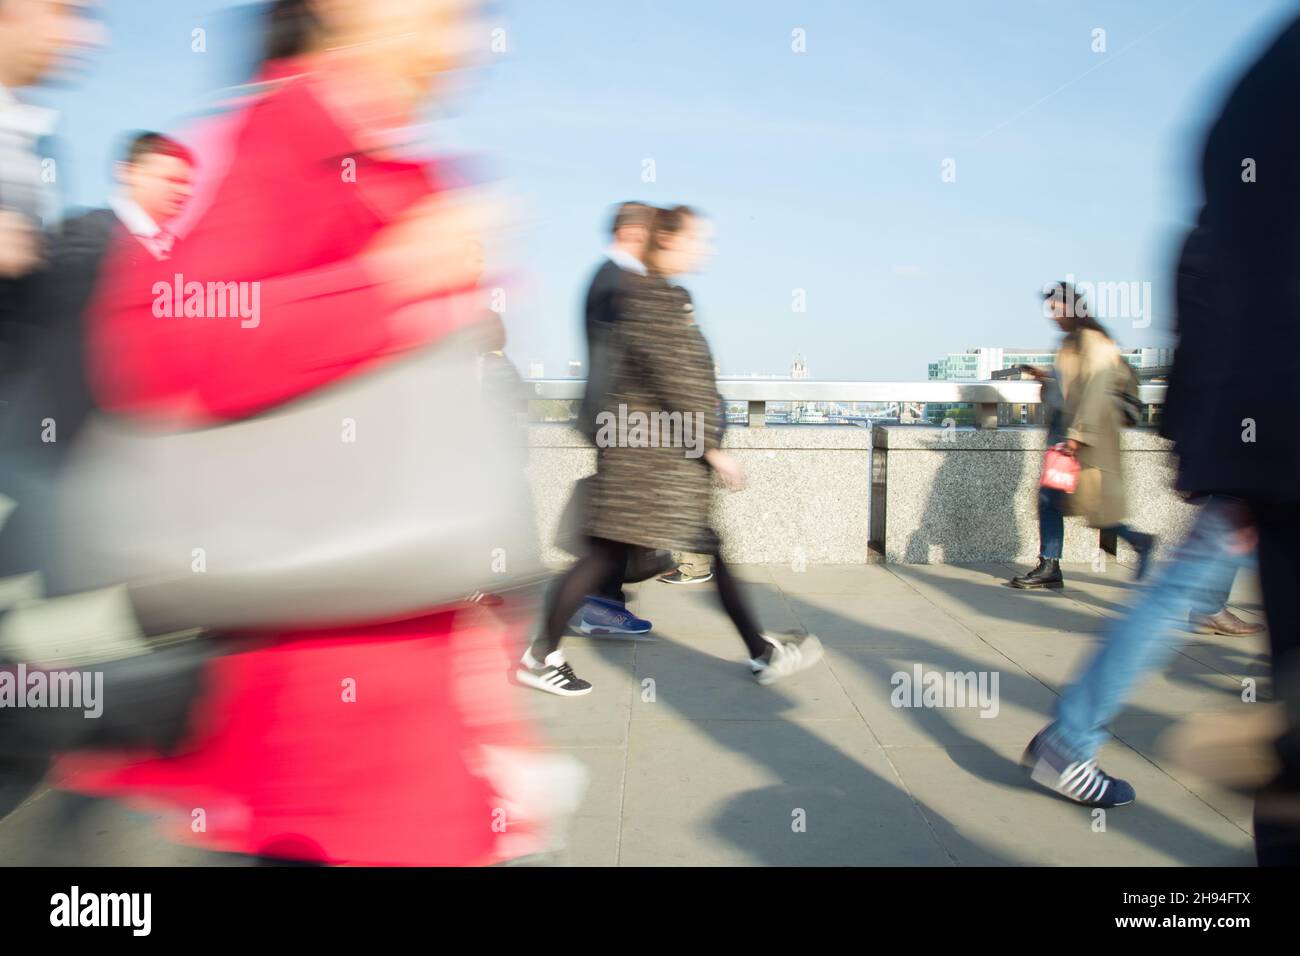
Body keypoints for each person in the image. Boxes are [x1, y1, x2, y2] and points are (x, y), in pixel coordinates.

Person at [49, 0, 577, 866]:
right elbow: (166, 342)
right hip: (330, 697)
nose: (465, 41)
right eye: (442, 12)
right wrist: (395, 278)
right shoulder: (285, 130)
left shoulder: (384, 153)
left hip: (408, 674)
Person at [517, 205, 823, 696]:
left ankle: (761, 652)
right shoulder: (653, 298)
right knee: (612, 556)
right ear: (666, 241)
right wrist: (711, 447)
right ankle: (540, 654)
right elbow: (677, 379)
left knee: (621, 554)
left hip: (648, 456)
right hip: (651, 461)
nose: (706, 248)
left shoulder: (655, 295)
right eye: (697, 239)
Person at [1009, 282, 1155, 590]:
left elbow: (1095, 389)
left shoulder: (1093, 340)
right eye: (1050, 308)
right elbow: (1070, 388)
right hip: (1065, 431)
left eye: (1057, 307)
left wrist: (1077, 436)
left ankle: (1138, 542)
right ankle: (1050, 564)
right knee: (1056, 500)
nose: (1053, 314)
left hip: (1084, 436)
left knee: (1089, 504)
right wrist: (1047, 378)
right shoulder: (1069, 343)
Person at [567, 200, 658, 637]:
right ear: (635, 232)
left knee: (620, 516)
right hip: (617, 418)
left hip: (620, 417)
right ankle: (596, 606)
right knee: (617, 520)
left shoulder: (611, 277)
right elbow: (628, 354)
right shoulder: (615, 281)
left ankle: (602, 602)